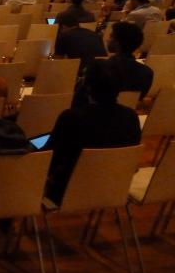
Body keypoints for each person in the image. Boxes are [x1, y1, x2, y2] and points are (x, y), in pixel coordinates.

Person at [42, 60, 141, 204]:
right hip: (114, 187)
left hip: (66, 191)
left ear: (86, 87)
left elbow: (50, 160)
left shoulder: (71, 117)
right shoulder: (131, 116)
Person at [73, 22, 153, 105]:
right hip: (124, 115)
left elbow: (80, 99)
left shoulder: (99, 69)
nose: (107, 39)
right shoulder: (147, 73)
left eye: (111, 37)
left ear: (117, 43)